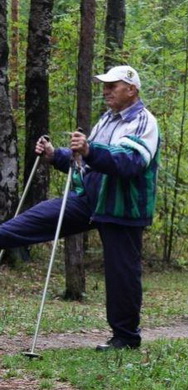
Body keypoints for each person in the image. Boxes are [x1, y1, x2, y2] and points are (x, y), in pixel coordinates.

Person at [0, 65, 160, 352]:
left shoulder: (143, 122)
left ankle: (125, 339)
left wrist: (89, 150)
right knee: (16, 229)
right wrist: (55, 155)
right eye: (105, 85)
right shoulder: (106, 121)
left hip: (123, 208)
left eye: (113, 85)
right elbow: (84, 164)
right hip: (87, 199)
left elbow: (129, 162)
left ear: (132, 89)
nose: (106, 90)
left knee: (122, 274)